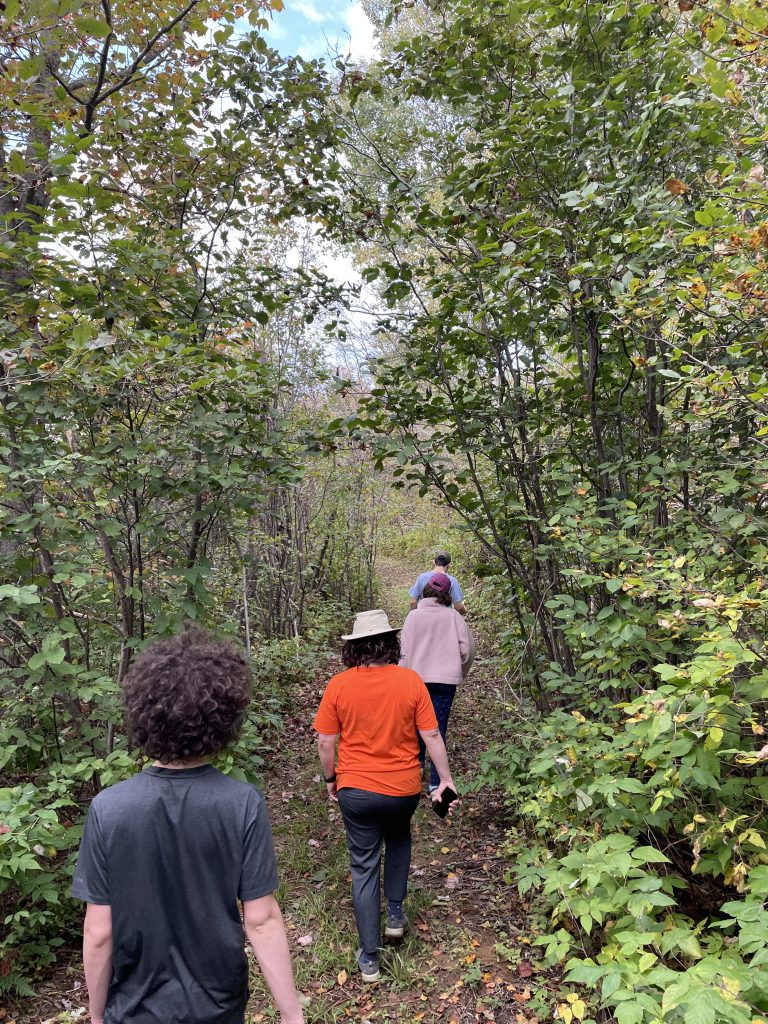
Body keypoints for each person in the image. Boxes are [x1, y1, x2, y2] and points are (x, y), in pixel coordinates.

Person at [71, 627, 304, 1024]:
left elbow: (99, 932)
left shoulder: (108, 808)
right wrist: (292, 1015)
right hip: (217, 1004)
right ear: (222, 717)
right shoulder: (241, 803)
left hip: (132, 1008)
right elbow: (261, 920)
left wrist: (95, 1016)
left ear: (145, 716)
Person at [313, 609, 458, 984]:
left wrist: (331, 779)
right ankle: (394, 915)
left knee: (363, 865)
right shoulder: (411, 682)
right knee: (398, 839)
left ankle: (369, 959)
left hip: (356, 790)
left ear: (354, 648)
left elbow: (326, 740)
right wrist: (445, 779)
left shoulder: (339, 686)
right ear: (389, 644)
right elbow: (431, 737)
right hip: (403, 789)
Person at [400, 574, 475, 793]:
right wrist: (457, 670)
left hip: (415, 680)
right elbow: (467, 650)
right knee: (437, 727)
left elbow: (403, 651)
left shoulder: (413, 617)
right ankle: (436, 783)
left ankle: (417, 769)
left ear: (425, 591)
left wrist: (402, 676)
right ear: (447, 593)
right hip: (444, 682)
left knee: (415, 724)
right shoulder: (454, 617)